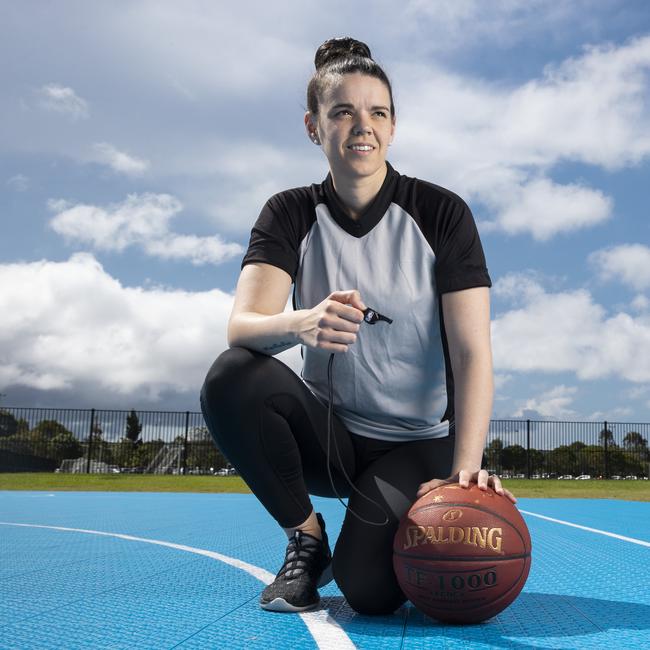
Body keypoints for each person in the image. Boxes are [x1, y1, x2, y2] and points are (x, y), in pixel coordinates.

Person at [200, 36, 517, 616]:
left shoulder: (441, 214)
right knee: (232, 376)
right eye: (342, 112)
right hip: (331, 438)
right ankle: (306, 537)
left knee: (368, 592)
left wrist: (464, 473)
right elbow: (242, 327)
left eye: (377, 113)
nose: (361, 126)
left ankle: (360, 548)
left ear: (394, 128)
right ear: (313, 126)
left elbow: (473, 354)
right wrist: (303, 322)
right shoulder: (289, 213)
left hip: (416, 445)